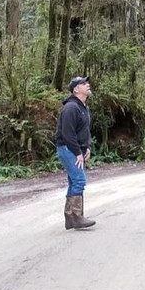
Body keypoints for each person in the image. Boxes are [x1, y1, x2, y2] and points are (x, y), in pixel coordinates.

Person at [56, 77, 96, 230]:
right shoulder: (71, 107)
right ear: (76, 90)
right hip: (68, 149)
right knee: (79, 180)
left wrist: (87, 147)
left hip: (76, 149)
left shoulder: (83, 107)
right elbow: (67, 133)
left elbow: (84, 130)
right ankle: (77, 217)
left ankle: (70, 218)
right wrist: (77, 152)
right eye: (83, 83)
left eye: (87, 83)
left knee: (74, 181)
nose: (87, 85)